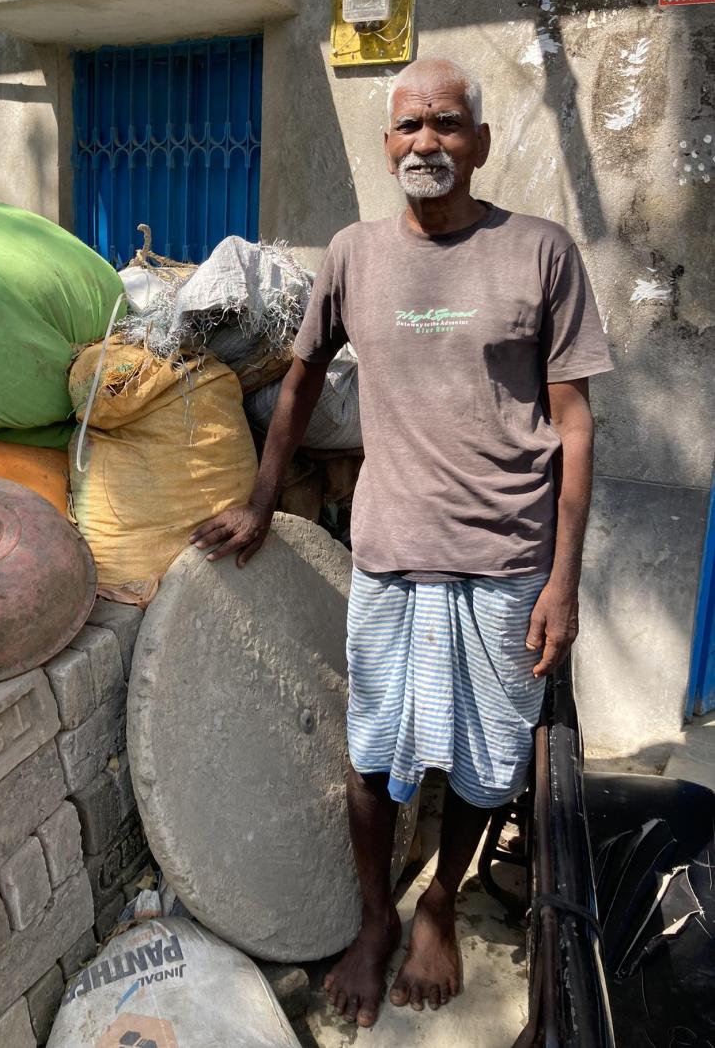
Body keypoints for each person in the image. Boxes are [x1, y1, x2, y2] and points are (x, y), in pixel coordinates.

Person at [189, 57, 613, 1027]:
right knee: (376, 754)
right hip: (389, 554)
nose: (426, 142)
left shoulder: (539, 254)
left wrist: (565, 581)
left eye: (447, 125)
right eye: (409, 126)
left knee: (484, 760)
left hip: (506, 563)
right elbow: (297, 382)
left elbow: (575, 421)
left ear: (481, 141)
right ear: (388, 145)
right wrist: (260, 499)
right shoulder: (353, 253)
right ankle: (376, 918)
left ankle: (440, 902)